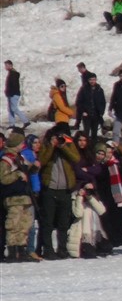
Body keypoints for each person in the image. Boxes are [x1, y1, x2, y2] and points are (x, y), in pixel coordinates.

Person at [39, 124, 81, 259]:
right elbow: (41, 161)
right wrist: (52, 145)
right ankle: (48, 250)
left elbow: (76, 158)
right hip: (49, 189)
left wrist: (63, 146)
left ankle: (62, 249)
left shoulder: (69, 144)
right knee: (48, 222)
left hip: (65, 190)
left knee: (63, 223)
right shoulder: (46, 144)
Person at [1, 133, 37, 262]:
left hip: (25, 196)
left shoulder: (20, 158)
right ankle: (12, 251)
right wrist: (17, 174)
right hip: (13, 197)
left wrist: (34, 168)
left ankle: (21, 250)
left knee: (24, 224)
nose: (23, 145)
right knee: (13, 224)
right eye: (21, 143)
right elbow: (3, 178)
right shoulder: (7, 159)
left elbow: (27, 171)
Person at [75, 73, 105, 141]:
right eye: (90, 80)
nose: (92, 81)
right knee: (86, 133)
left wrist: (101, 112)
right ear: (88, 80)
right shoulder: (83, 89)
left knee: (94, 133)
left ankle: (93, 148)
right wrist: (83, 111)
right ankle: (87, 148)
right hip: (87, 115)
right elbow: (78, 102)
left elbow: (103, 102)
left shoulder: (99, 90)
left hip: (96, 115)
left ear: (96, 80)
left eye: (94, 79)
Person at [4, 60, 31, 128]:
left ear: (11, 65)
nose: (5, 67)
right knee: (10, 109)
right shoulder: (11, 73)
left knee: (14, 109)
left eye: (7, 65)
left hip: (13, 94)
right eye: (5, 65)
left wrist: (10, 93)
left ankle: (26, 121)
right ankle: (12, 124)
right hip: (11, 94)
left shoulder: (13, 74)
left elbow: (14, 85)